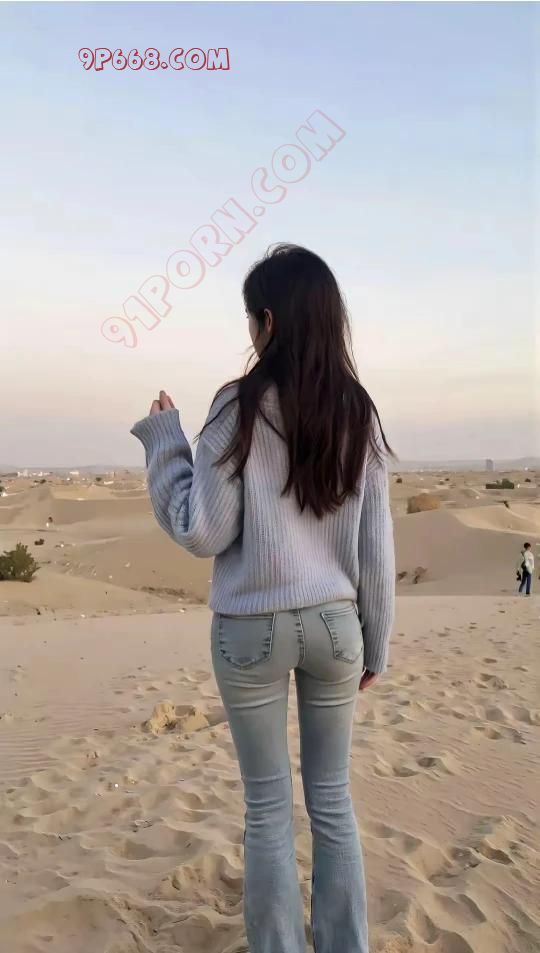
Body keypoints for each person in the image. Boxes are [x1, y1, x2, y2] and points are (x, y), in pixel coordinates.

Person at [131, 243, 395, 953]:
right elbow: (376, 545)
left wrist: (165, 444)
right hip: (337, 629)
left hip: (250, 628)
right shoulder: (358, 411)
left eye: (251, 318)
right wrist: (377, 641)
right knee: (332, 801)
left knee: (269, 807)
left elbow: (203, 530)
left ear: (268, 322)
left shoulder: (239, 405)